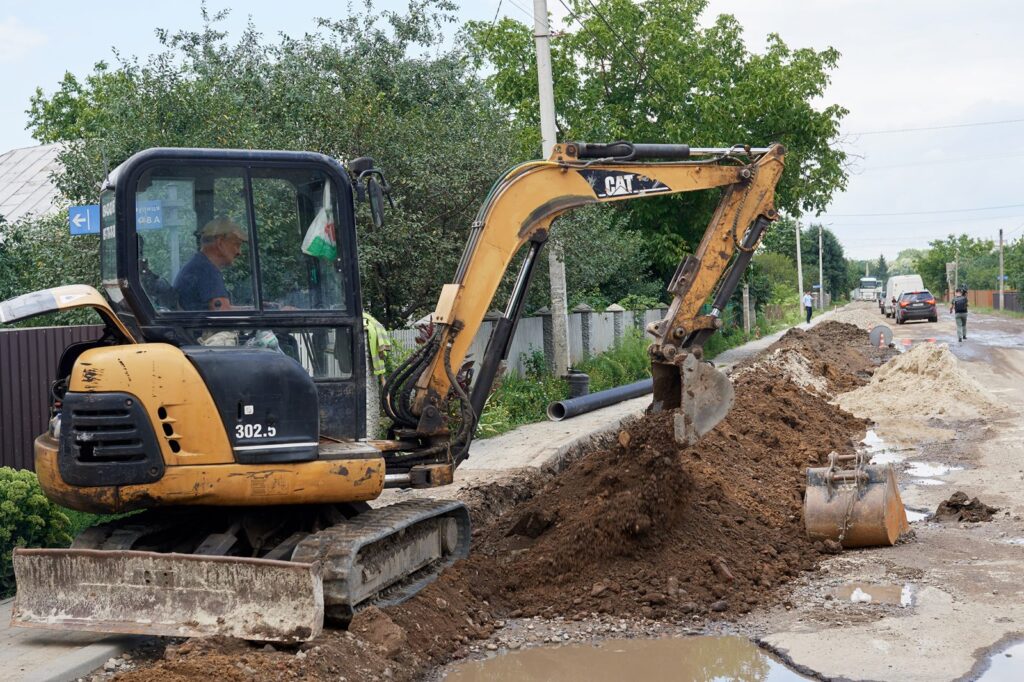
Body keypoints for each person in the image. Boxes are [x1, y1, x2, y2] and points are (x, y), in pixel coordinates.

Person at [174, 218, 247, 311]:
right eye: (236, 245)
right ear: (220, 243)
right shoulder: (206, 271)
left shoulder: (198, 265)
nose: (239, 252)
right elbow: (224, 316)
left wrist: (254, 309)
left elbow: (221, 308)